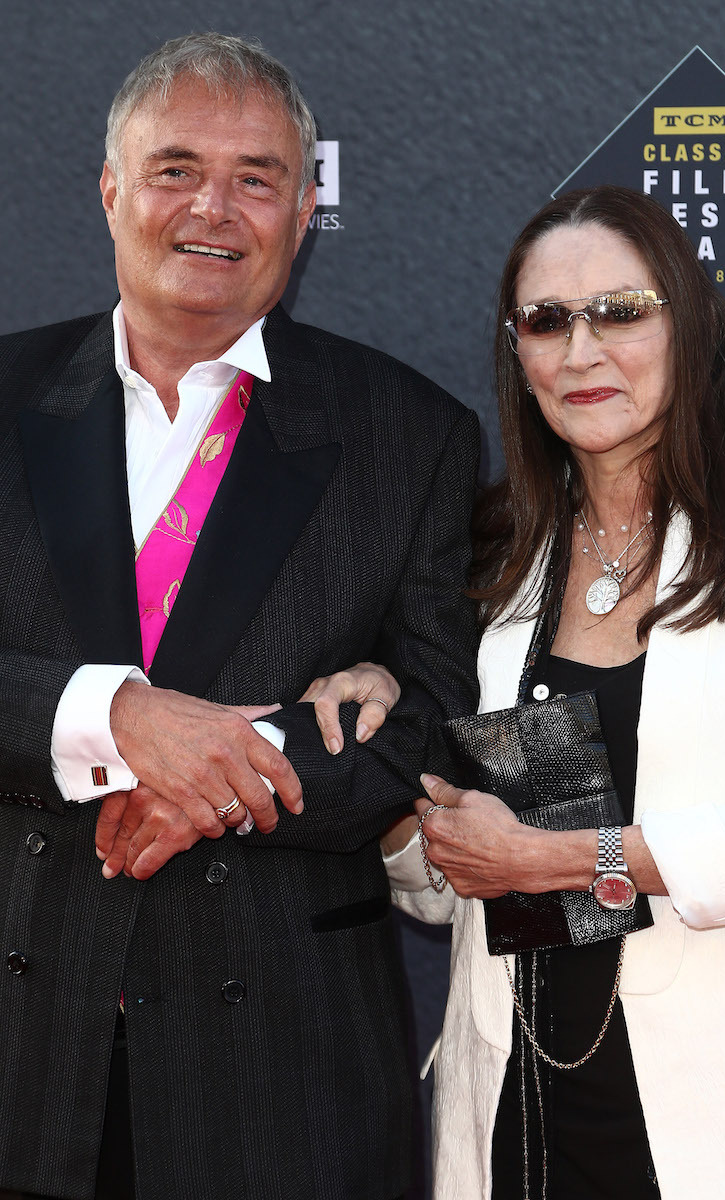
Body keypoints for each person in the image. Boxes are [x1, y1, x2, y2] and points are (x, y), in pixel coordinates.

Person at [0, 33, 479, 1200]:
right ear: (110, 189)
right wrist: (110, 715)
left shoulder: (409, 435)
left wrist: (232, 766)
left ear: (307, 209)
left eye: (258, 176)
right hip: (21, 1052)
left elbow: (433, 724)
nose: (213, 207)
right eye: (173, 169)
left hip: (280, 1074)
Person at [360, 185, 725, 1199]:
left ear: (687, 323)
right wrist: (385, 776)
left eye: (619, 310)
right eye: (546, 321)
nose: (579, 350)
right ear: (515, 354)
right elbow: (445, 890)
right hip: (518, 1105)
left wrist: (554, 859)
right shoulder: (499, 558)